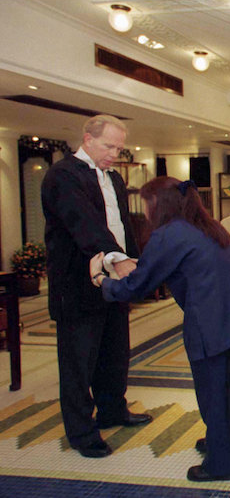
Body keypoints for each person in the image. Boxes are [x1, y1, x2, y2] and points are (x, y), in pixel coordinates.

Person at [90, 176, 230, 482]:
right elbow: (168, 266)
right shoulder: (206, 226)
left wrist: (101, 280)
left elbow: (136, 287)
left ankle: (221, 464)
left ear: (158, 204)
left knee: (212, 393)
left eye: (146, 202)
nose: (144, 210)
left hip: (210, 322)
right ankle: (225, 443)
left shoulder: (169, 234)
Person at [41, 114, 152, 459]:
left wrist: (134, 262)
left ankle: (112, 410)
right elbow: (84, 224)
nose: (115, 153)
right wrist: (119, 261)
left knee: (114, 354)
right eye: (109, 146)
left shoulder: (114, 178)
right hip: (77, 284)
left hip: (113, 282)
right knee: (78, 363)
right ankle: (81, 432)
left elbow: (121, 226)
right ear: (87, 138)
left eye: (119, 147)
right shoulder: (63, 176)